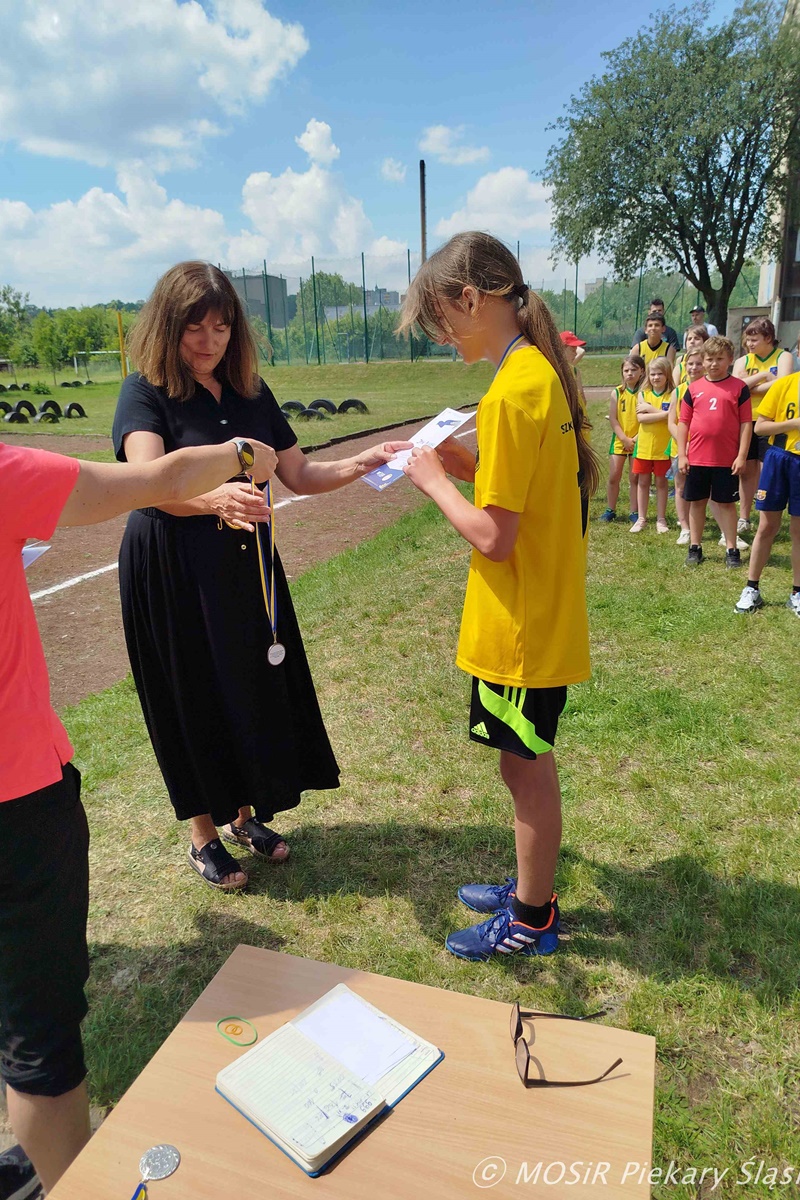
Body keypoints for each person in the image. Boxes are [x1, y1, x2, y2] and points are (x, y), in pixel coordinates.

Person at [0, 434, 279, 1194]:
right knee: (40, 1045)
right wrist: (240, 452)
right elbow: (154, 478)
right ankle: (68, 1178)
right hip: (17, 805)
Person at [113, 262, 408, 891]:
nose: (209, 341)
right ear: (168, 325)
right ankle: (203, 835)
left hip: (245, 566)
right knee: (191, 692)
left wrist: (367, 460)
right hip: (171, 567)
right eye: (195, 327)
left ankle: (244, 817)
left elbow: (299, 474)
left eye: (221, 328)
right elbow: (147, 483)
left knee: (247, 684)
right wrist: (213, 499)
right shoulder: (145, 392)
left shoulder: (249, 389)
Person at [398, 230, 598, 961]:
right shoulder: (533, 372)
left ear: (472, 299)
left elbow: (494, 537)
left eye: (440, 319)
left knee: (525, 767)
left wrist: (434, 483)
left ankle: (532, 917)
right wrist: (467, 463)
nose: (440, 335)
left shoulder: (514, 389)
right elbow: (526, 490)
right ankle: (529, 886)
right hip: (536, 612)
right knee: (523, 763)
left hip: (523, 625)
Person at [676, 335, 752, 567]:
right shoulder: (693, 389)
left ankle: (731, 549)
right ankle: (695, 547)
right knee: (697, 502)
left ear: (730, 359)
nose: (713, 363)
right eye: (709, 359)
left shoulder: (739, 388)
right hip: (697, 459)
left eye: (720, 358)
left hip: (726, 460)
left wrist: (741, 455)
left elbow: (746, 424)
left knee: (726, 504)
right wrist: (682, 454)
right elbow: (683, 423)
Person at [734, 369, 800, 615]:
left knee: (798, 530)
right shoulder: (784, 385)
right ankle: (752, 588)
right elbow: (760, 427)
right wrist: (794, 424)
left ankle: (797, 592)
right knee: (767, 526)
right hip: (779, 458)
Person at [733, 318, 794, 532]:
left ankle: (765, 519)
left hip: (771, 421)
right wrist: (765, 376)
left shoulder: (784, 356)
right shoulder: (743, 360)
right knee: (746, 470)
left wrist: (751, 386)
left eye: (754, 339)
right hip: (745, 419)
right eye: (748, 339)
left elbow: (783, 385)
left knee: (766, 469)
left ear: (768, 338)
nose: (749, 344)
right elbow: (736, 388)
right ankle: (744, 518)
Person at [600, 354, 645, 523]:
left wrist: (635, 439)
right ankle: (610, 509)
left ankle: (634, 511)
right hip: (620, 441)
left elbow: (646, 420)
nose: (630, 373)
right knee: (614, 476)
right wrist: (624, 438)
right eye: (626, 370)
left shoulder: (645, 393)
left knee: (635, 478)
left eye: (634, 370)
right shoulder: (617, 392)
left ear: (642, 371)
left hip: (639, 441)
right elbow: (613, 418)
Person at [630, 356, 673, 533]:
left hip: (664, 447)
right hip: (644, 447)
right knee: (643, 482)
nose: (656, 377)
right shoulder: (643, 394)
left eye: (660, 374)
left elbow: (673, 417)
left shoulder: (673, 394)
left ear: (667, 374)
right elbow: (641, 418)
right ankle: (641, 518)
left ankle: (661, 519)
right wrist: (665, 414)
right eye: (653, 374)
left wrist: (652, 410)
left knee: (662, 483)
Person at [668, 348, 705, 544]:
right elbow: (671, 422)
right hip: (680, 448)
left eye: (698, 363)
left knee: (707, 489)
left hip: (705, 448)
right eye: (690, 363)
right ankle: (685, 527)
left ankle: (719, 528)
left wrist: (697, 442)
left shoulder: (710, 388)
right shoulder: (678, 391)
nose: (694, 367)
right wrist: (685, 442)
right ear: (684, 365)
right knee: (680, 486)